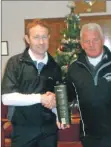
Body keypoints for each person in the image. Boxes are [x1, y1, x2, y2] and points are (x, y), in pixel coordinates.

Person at [2, 19, 69, 147]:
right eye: (36, 37)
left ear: (49, 37)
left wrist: (61, 116)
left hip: (49, 131)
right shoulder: (15, 63)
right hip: (23, 130)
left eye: (44, 37)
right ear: (27, 39)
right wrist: (40, 98)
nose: (41, 42)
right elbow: (6, 98)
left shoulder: (54, 66)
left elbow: (57, 97)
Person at [66, 23, 111, 147]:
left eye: (95, 40)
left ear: (102, 40)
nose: (91, 45)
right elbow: (68, 96)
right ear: (81, 44)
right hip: (89, 136)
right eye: (87, 41)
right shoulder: (74, 68)